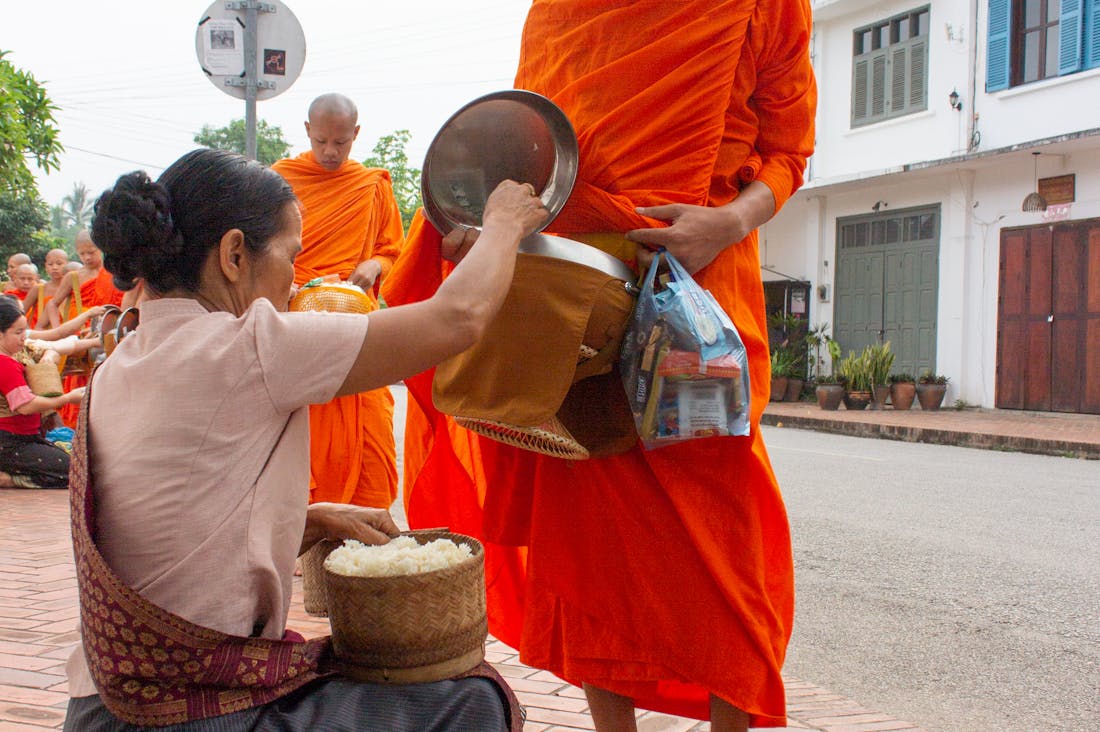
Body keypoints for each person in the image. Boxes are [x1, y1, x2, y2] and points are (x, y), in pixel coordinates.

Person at [382, 2, 817, 730]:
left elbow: (789, 150)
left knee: (724, 537)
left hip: (698, 291)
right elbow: (529, 143)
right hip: (568, 298)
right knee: (588, 540)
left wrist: (731, 222)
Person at [62, 148, 547, 731]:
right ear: (235, 254)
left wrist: (309, 518)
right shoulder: (249, 346)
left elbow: (182, 539)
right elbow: (458, 318)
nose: (299, 276)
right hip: (186, 713)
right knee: (469, 700)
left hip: (104, 705)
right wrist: (503, 224)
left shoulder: (119, 363)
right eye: (293, 256)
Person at [271, 93, 405, 510]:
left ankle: (367, 527)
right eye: (322, 141)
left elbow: (394, 251)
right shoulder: (279, 182)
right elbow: (263, 254)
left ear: (356, 135)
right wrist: (290, 286)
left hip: (355, 329)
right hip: (298, 329)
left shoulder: (371, 187)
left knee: (372, 431)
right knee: (302, 431)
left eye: (341, 143)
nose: (330, 152)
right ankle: (306, 531)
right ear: (308, 131)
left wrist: (375, 265)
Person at [0, 296, 84, 489]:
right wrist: (67, 398)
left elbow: (60, 345)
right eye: (18, 332)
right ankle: (11, 479)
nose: (24, 337)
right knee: (76, 474)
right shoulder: (4, 364)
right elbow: (26, 406)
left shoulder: (10, 359)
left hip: (22, 439)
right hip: (10, 442)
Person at [44, 231, 124, 426]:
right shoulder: (73, 277)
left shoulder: (115, 273)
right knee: (79, 392)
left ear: (101, 249)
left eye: (91, 252)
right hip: (80, 343)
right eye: (82, 254)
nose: (87, 257)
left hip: (108, 339)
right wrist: (59, 330)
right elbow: (52, 305)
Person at [23, 249, 70, 328]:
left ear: (67, 264)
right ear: (46, 267)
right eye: (50, 264)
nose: (54, 267)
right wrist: (28, 331)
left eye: (59, 263)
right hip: (42, 335)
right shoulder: (39, 289)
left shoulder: (73, 288)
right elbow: (20, 312)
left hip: (70, 334)